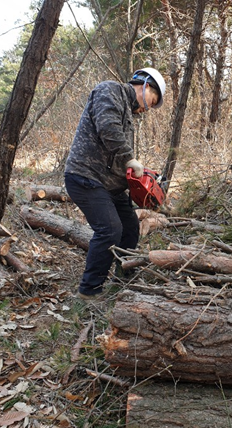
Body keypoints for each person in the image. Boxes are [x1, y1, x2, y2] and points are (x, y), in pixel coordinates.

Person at [64, 68, 166, 299]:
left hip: (111, 185)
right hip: (86, 176)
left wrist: (139, 180)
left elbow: (117, 155)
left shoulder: (129, 115)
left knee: (130, 228)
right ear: (146, 86)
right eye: (150, 102)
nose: (145, 109)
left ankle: (124, 277)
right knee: (110, 230)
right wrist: (129, 157)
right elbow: (108, 128)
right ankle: (89, 291)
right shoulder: (109, 90)